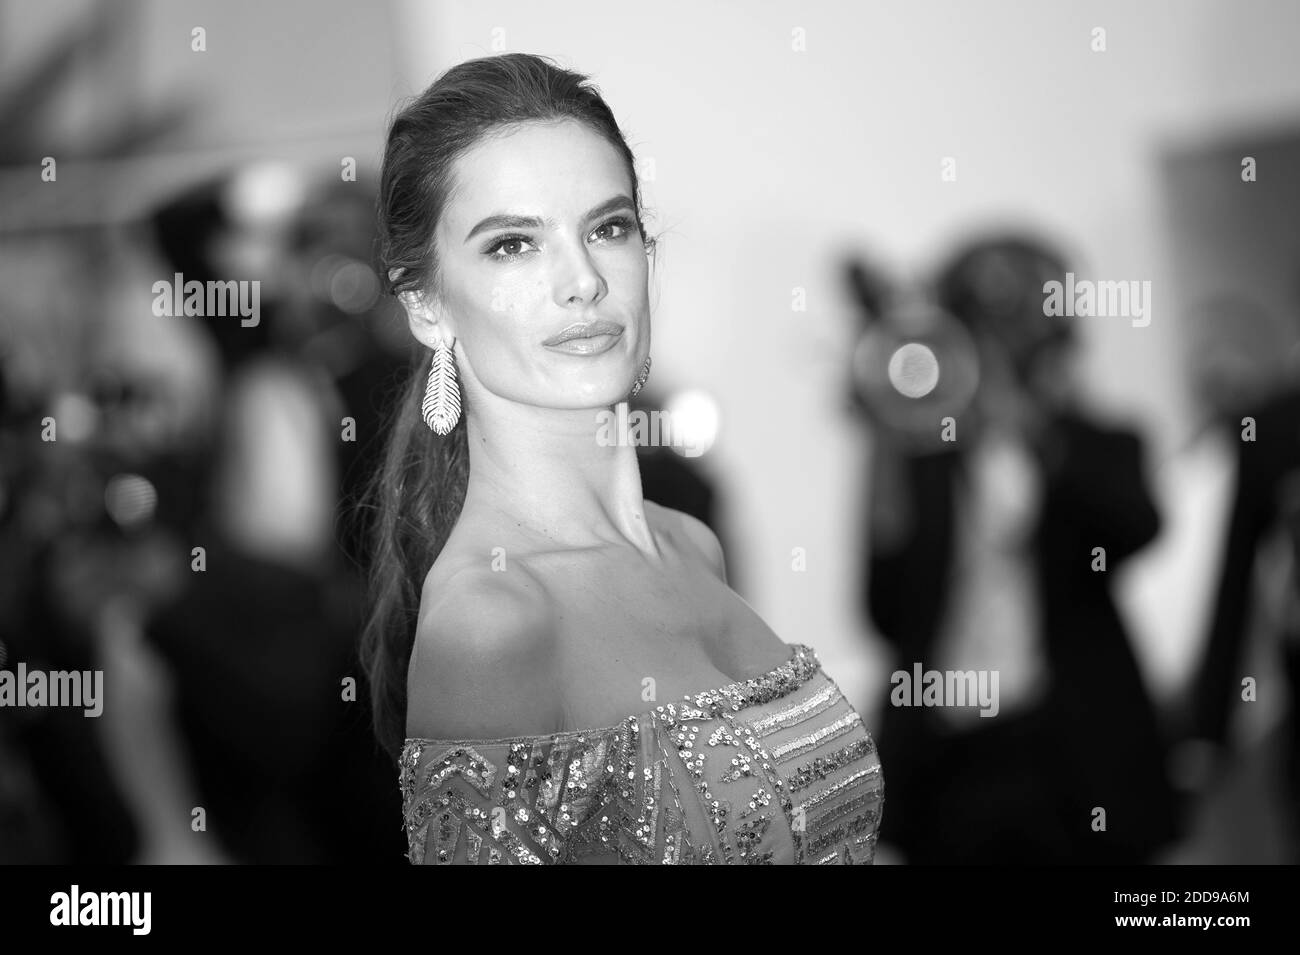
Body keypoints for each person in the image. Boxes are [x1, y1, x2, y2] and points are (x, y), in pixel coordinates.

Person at [359, 53, 884, 865]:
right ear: (425, 305)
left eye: (609, 228)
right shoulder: (491, 621)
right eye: (511, 245)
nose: (582, 282)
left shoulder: (689, 543)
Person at [862, 234, 1181, 863]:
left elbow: (1136, 528)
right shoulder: (918, 457)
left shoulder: (1099, 442)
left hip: (1076, 756)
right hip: (950, 762)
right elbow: (881, 610)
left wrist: (1034, 428)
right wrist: (887, 444)